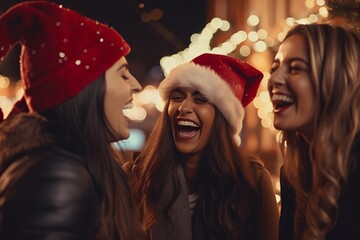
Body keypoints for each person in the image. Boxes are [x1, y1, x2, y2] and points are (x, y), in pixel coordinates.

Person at [0, 1, 146, 239]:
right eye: (123, 74)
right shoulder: (57, 178)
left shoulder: (76, 166)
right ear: (84, 88)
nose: (136, 85)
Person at [128, 53, 279, 240]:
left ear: (222, 119)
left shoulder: (252, 181)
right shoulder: (135, 176)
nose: (184, 107)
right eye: (176, 97)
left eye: (200, 100)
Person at [268, 23, 360, 240]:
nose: (273, 79)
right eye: (275, 68)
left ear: (335, 78)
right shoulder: (292, 173)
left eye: (296, 68)